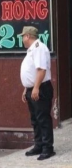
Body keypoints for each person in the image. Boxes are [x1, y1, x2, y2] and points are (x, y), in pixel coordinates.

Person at [19, 26, 55, 160]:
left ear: (28, 36)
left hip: (40, 88)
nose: (22, 39)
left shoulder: (39, 47)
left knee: (43, 119)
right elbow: (32, 71)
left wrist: (35, 88)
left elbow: (41, 70)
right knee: (35, 119)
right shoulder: (32, 50)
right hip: (32, 88)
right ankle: (39, 145)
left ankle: (47, 148)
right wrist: (26, 88)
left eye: (23, 36)